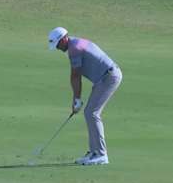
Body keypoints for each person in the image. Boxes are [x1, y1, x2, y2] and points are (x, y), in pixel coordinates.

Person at [48, 27, 122, 165]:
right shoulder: (75, 43)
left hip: (109, 77)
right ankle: (94, 152)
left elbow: (75, 76)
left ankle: (101, 154)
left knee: (92, 113)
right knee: (89, 113)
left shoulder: (74, 49)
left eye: (58, 45)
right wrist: (77, 99)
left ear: (63, 39)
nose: (57, 48)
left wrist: (77, 100)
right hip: (103, 78)